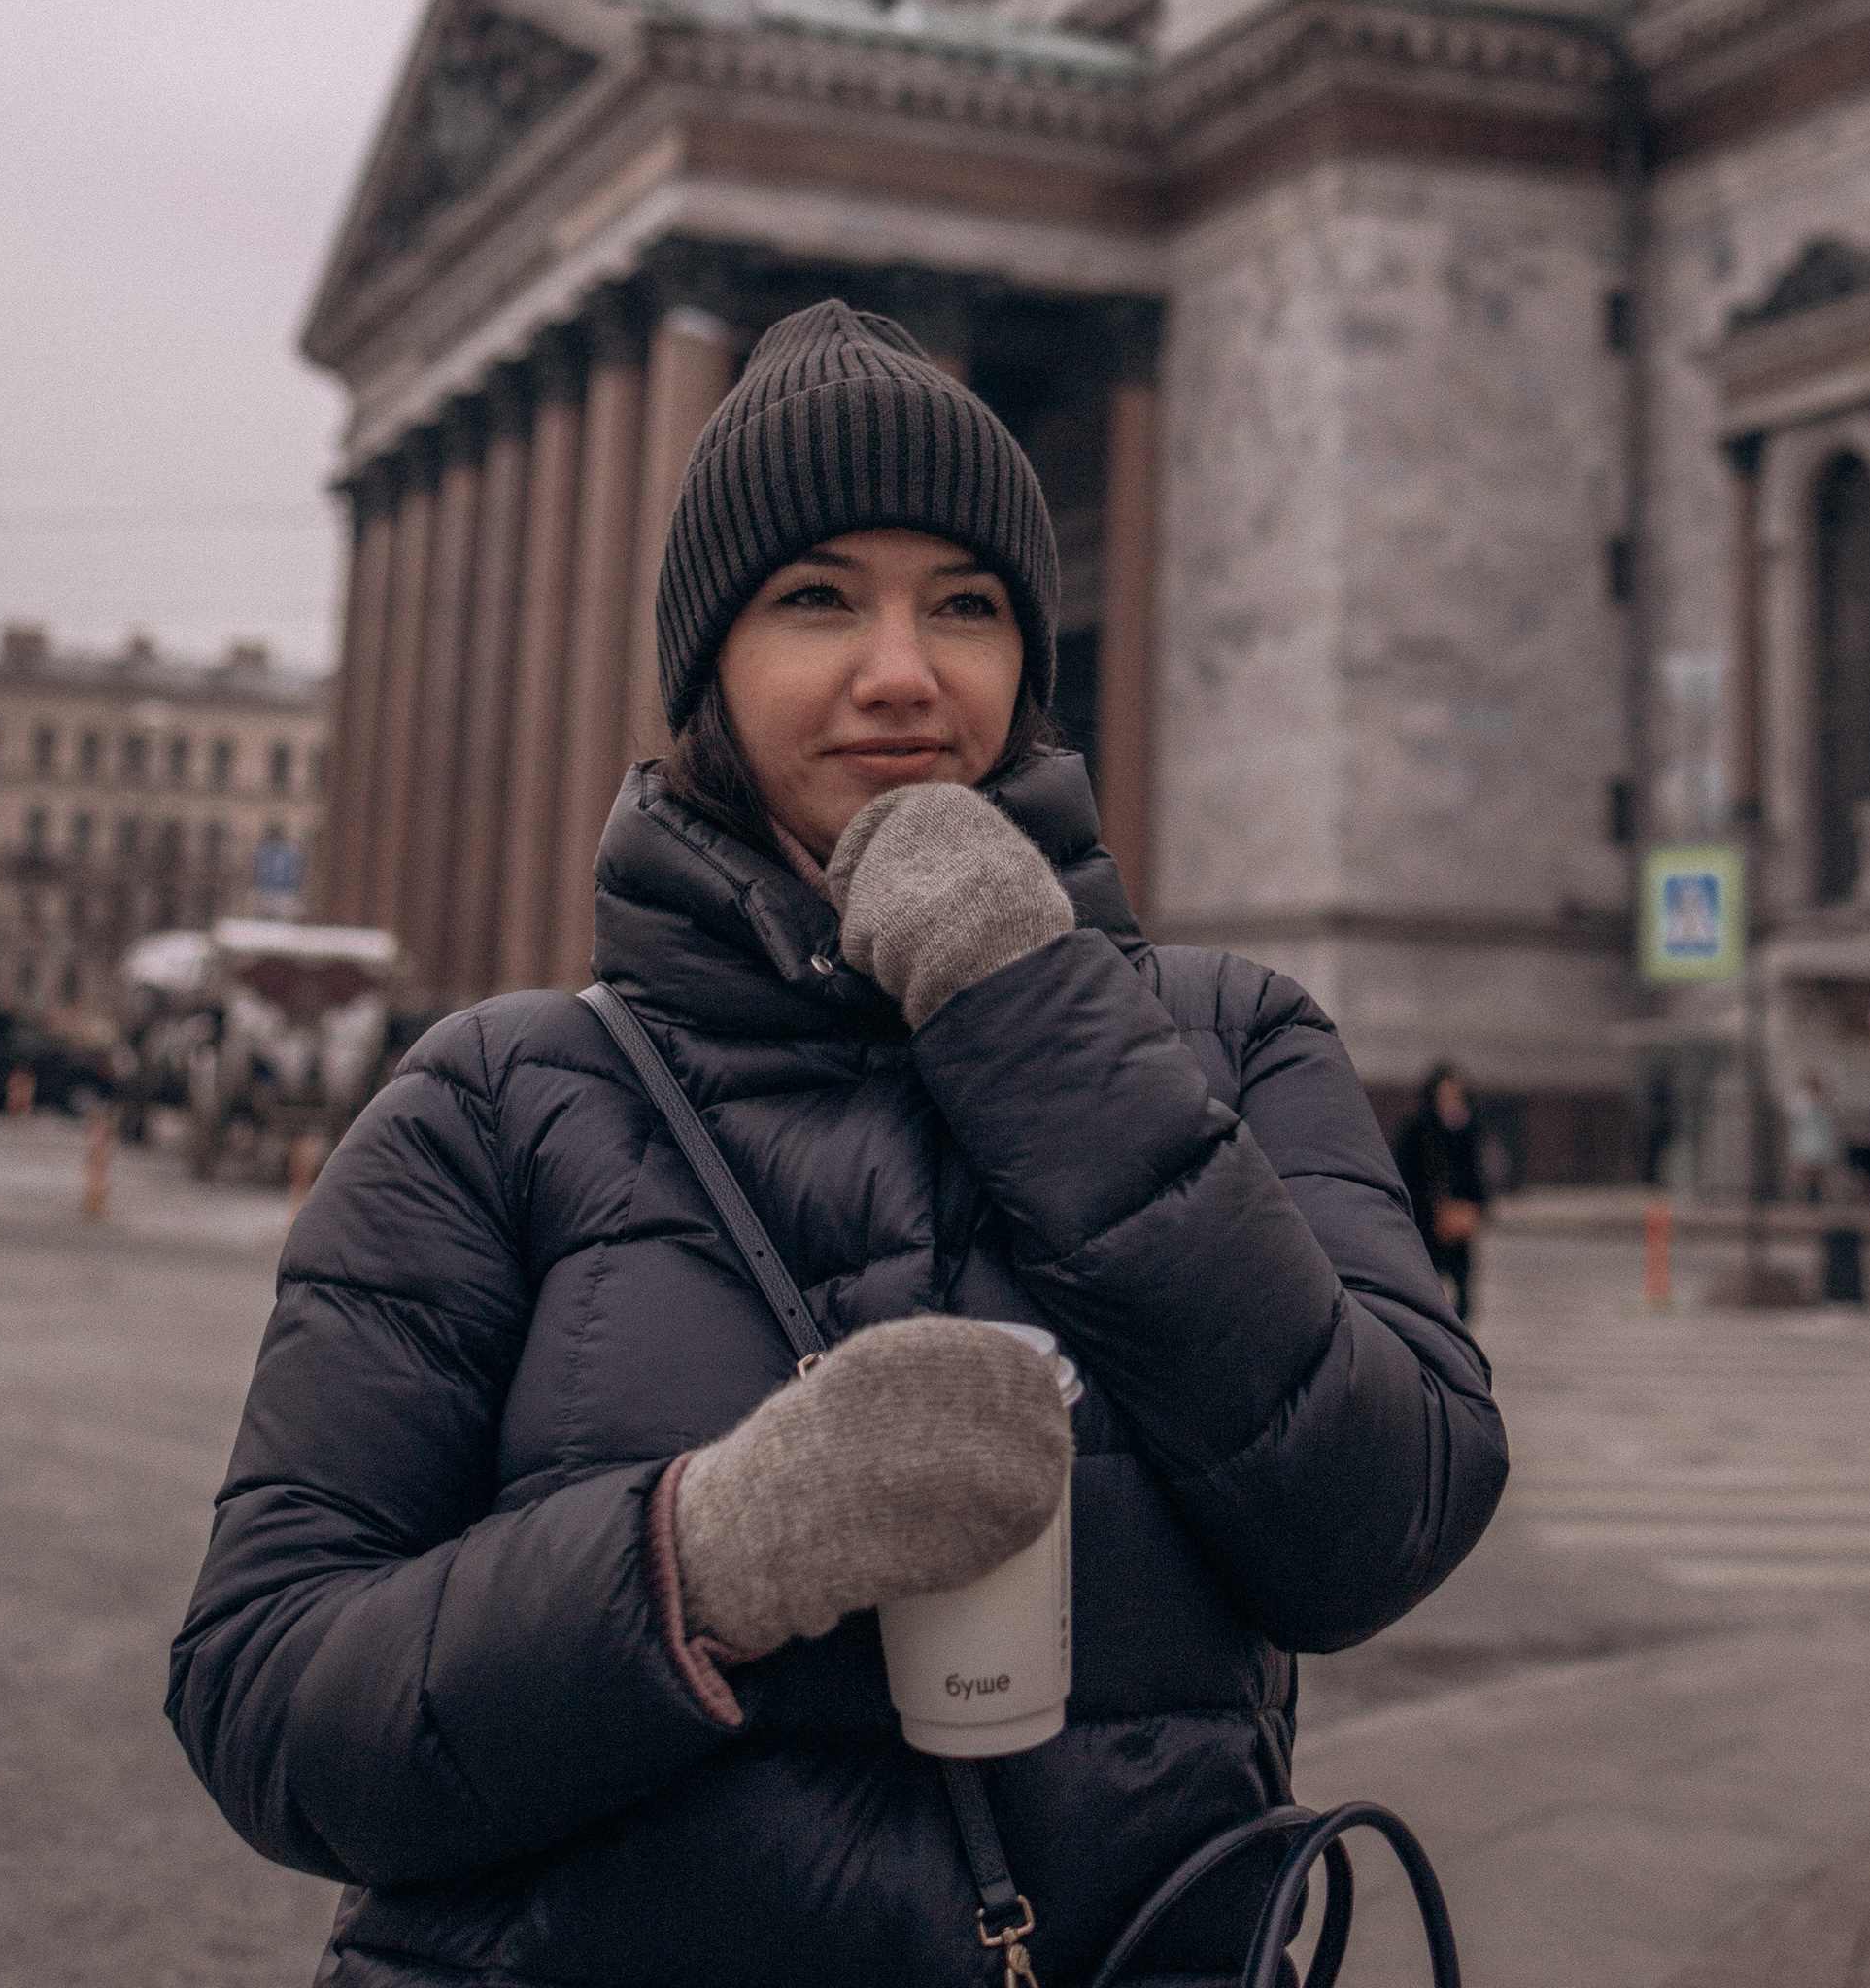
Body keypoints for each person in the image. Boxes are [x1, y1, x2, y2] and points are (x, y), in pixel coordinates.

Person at [169, 304, 1507, 1987]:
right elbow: (267, 1703)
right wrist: (701, 1559)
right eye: (817, 600)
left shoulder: (1234, 1044)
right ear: (708, 670)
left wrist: (1039, 1016)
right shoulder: (491, 1106)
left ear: (1027, 657)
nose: (903, 670)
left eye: (966, 604)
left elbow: (1376, 1524)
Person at [1393, 1064, 1489, 1324]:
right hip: (1425, 1221)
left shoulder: (1468, 1128)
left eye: (1455, 1093)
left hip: (1457, 1222)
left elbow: (1477, 1174)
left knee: (1462, 1295)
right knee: (1427, 1289)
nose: (1450, 1100)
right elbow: (1404, 1173)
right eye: (1445, 1093)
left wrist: (1476, 1208)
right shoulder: (1417, 1128)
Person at [1785, 1069, 1841, 1206]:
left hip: (1814, 1140)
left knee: (1813, 1174)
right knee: (1809, 1173)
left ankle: (1812, 1198)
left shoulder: (1817, 1101)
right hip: (1810, 1139)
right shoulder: (1806, 1100)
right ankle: (1809, 1198)